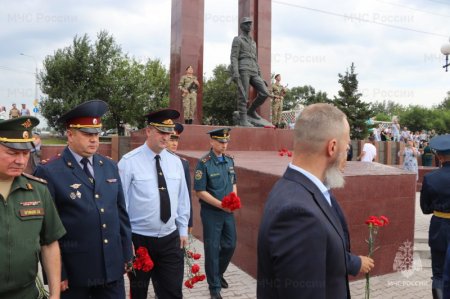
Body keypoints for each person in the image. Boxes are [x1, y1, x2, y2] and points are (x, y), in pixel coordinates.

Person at [257, 103, 363, 298]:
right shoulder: (299, 214)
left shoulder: (297, 189)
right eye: (346, 147)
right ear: (332, 147)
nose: (346, 156)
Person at [34, 100, 133, 299]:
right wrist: (57, 274)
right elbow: (46, 229)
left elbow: (120, 213)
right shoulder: (50, 172)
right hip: (75, 275)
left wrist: (126, 254)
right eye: (87, 134)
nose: (94, 140)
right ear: (70, 135)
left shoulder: (109, 166)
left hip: (111, 268)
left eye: (96, 134)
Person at [118, 109, 190, 299]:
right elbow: (120, 205)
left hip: (170, 239)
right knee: (139, 292)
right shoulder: (128, 163)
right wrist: (125, 241)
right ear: (148, 131)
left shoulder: (176, 163)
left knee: (172, 292)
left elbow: (183, 199)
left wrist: (182, 229)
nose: (166, 137)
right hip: (139, 240)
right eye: (161, 132)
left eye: (169, 133)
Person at [0, 116, 66, 299]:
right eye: (12, 153)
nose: (21, 161)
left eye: (26, 153)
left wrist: (54, 295)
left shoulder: (38, 190)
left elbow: (50, 244)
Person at [194, 128, 237, 299]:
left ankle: (218, 274)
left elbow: (234, 183)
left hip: (228, 212)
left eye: (226, 141)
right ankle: (214, 288)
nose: (224, 145)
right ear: (211, 142)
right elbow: (199, 191)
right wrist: (221, 205)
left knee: (230, 244)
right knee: (212, 249)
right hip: (212, 212)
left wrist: (234, 199)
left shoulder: (230, 161)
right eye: (220, 141)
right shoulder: (203, 163)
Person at [420, 134, 450, 299]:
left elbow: (425, 208)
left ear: (438, 156)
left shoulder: (431, 178)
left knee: (438, 273)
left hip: (440, 227)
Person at [230, 17, 270, 127]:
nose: (249, 26)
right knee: (243, 95)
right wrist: (235, 72)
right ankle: (243, 120)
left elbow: (255, 60)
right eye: (246, 24)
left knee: (265, 93)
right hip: (243, 69)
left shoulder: (253, 42)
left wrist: (260, 77)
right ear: (242, 26)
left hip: (254, 70)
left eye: (250, 24)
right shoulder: (238, 39)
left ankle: (251, 111)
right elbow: (234, 57)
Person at [167, 122, 193, 232]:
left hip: (177, 215)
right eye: (171, 140)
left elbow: (186, 194)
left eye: (176, 140)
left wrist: (189, 221)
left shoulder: (183, 163)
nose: (174, 143)